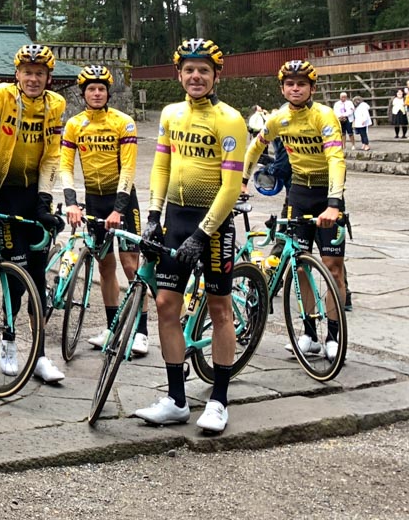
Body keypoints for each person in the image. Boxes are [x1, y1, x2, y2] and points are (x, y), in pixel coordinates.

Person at [134, 38, 247, 434]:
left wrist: (203, 234)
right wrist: (151, 214)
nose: (195, 76)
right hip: (175, 220)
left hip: (212, 226)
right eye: (189, 69)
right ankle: (177, 399)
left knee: (219, 309)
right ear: (178, 73)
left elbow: (231, 186)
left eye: (204, 70)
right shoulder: (170, 114)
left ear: (217, 75)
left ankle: (218, 399)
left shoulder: (230, 119)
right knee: (166, 304)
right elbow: (161, 166)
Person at [0, 44, 66, 385]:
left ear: (48, 78)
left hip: (32, 196)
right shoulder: (1, 96)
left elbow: (52, 156)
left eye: (40, 73)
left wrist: (45, 201)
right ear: (17, 74)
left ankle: (39, 354)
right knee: (15, 273)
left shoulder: (56, 105)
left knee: (38, 278)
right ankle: (8, 341)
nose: (33, 78)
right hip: (3, 192)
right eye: (27, 72)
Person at [242, 60, 347, 361]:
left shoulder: (324, 116)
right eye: (290, 84)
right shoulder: (278, 118)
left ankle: (335, 335)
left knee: (333, 267)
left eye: (302, 84)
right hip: (299, 193)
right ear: (283, 88)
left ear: (312, 88)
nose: (296, 88)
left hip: (327, 192)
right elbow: (254, 147)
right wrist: (243, 181)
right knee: (300, 264)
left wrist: (334, 204)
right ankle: (310, 334)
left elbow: (336, 159)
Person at [60, 65, 149, 355]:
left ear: (108, 92)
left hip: (122, 199)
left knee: (130, 265)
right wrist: (71, 202)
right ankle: (112, 329)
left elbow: (130, 169)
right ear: (83, 93)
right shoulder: (75, 124)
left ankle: (141, 332)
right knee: (105, 266)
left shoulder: (123, 122)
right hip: (95, 200)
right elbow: (64, 166)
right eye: (91, 89)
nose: (96, 93)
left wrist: (119, 210)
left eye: (101, 89)